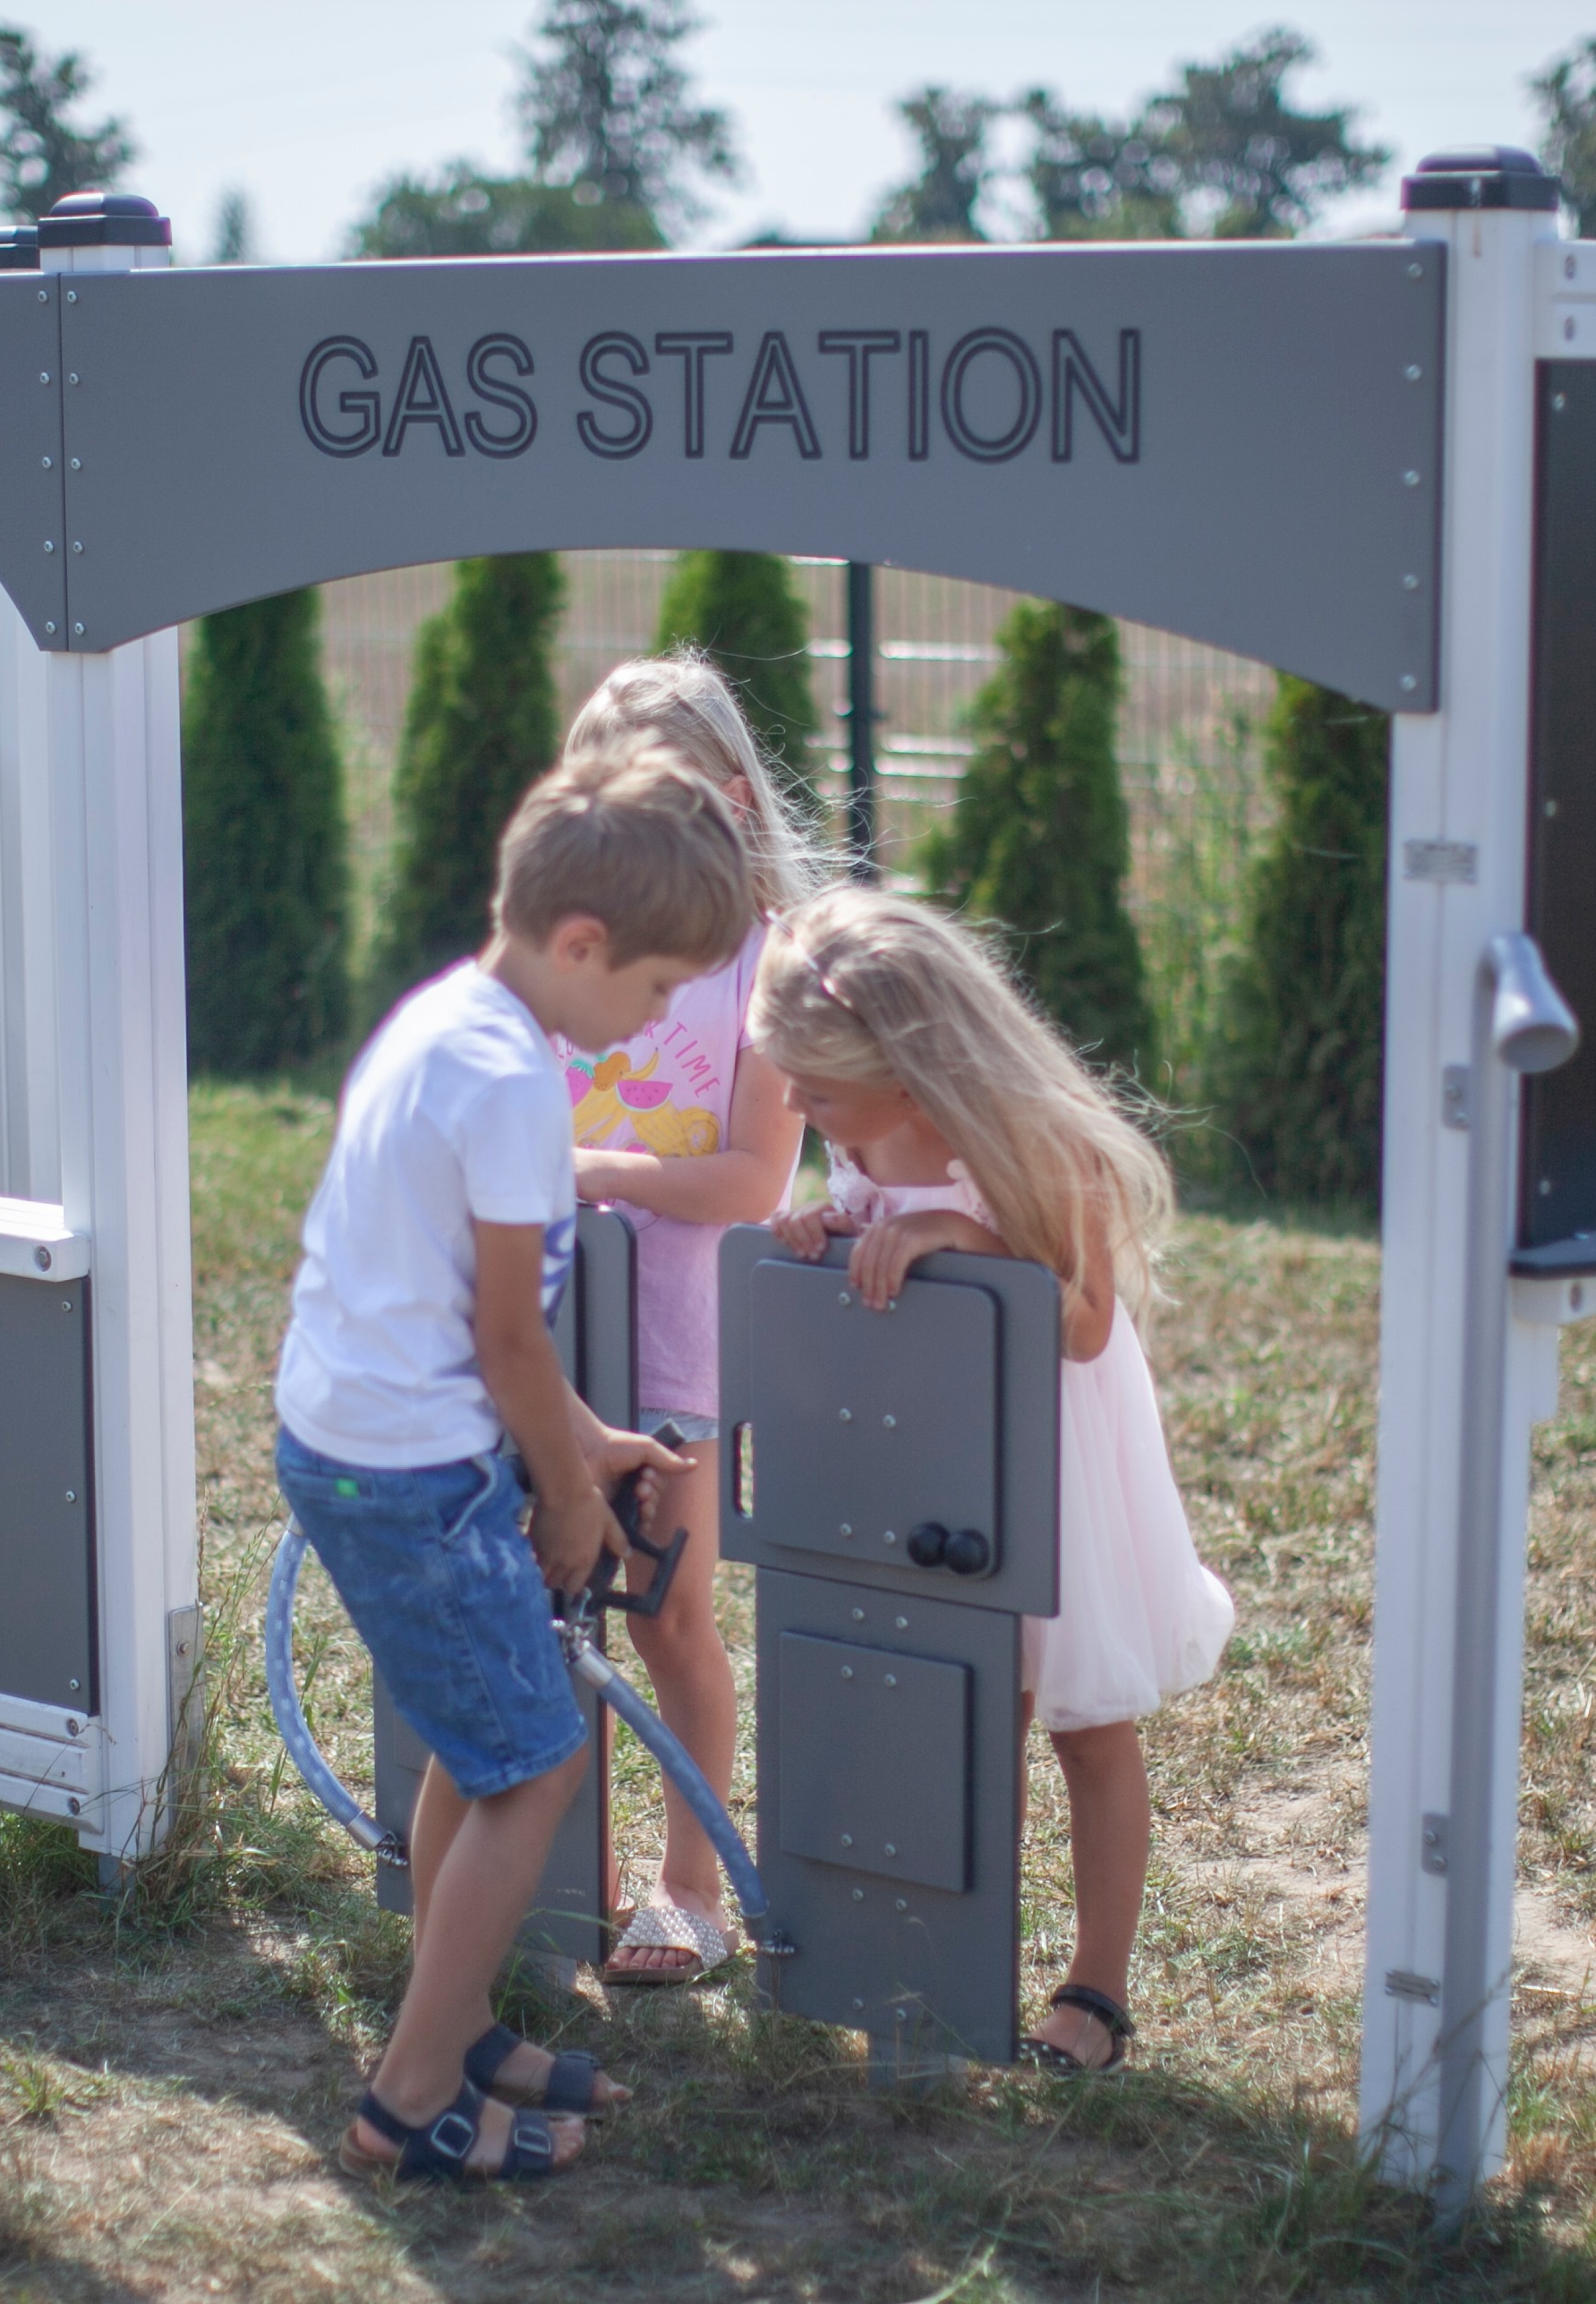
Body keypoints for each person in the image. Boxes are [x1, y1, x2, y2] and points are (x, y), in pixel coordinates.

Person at [275, 741, 755, 2180]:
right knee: (537, 1761)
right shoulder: (512, 1087)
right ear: (581, 940)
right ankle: (409, 2095)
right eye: (658, 988)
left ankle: (461, 2016)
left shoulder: (442, 1022)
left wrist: (586, 1444)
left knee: (484, 1746)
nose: (659, 1017)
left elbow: (449, 1313)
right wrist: (564, 1493)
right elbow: (505, 1336)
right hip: (415, 1473)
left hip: (360, 1443)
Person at [751, 884, 1234, 2075]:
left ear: (909, 1076)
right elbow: (877, 1242)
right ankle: (944, 1965)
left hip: (1048, 1452)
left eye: (812, 1089)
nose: (792, 1107)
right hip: (927, 1453)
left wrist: (967, 1244)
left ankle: (1095, 1987)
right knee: (956, 1720)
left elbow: (1079, 1324)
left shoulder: (1032, 1138)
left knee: (1079, 1720)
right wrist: (830, 1228)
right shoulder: (854, 1125)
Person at [551, 653, 830, 1986]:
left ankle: (687, 1885)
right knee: (559, 1611)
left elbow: (752, 1178)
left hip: (675, 1360)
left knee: (663, 1618)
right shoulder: (583, 954)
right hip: (558, 1355)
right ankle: (570, 1870)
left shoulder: (766, 970)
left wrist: (598, 1172)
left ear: (728, 801)